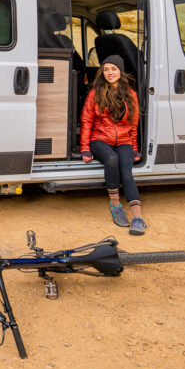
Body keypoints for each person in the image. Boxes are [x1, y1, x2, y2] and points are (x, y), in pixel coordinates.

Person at [80, 55, 146, 235]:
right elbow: (86, 120)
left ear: (120, 72)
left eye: (114, 69)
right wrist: (85, 147)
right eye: (106, 69)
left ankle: (138, 218)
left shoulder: (130, 94)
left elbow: (133, 124)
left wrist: (133, 148)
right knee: (111, 159)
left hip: (123, 141)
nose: (110, 73)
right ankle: (116, 205)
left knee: (126, 171)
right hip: (100, 139)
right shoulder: (95, 93)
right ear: (102, 72)